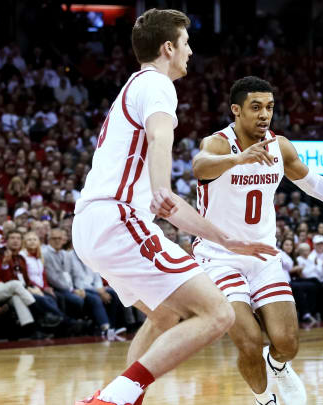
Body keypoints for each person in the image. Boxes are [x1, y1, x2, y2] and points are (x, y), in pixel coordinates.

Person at [71, 10, 278, 405]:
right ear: (168, 47)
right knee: (219, 314)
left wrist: (227, 240)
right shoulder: (156, 83)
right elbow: (160, 135)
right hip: (117, 218)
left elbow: (171, 210)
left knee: (165, 317)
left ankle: (125, 399)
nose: (190, 51)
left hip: (93, 225)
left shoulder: (134, 87)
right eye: (186, 43)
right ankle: (111, 398)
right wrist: (162, 185)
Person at [190, 76, 323, 405]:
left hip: (263, 256)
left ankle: (277, 365)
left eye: (269, 107)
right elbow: (199, 166)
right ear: (236, 111)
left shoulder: (280, 146)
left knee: (288, 342)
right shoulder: (220, 143)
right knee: (249, 340)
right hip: (218, 257)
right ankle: (265, 399)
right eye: (256, 107)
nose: (264, 114)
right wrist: (238, 159)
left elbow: (313, 184)